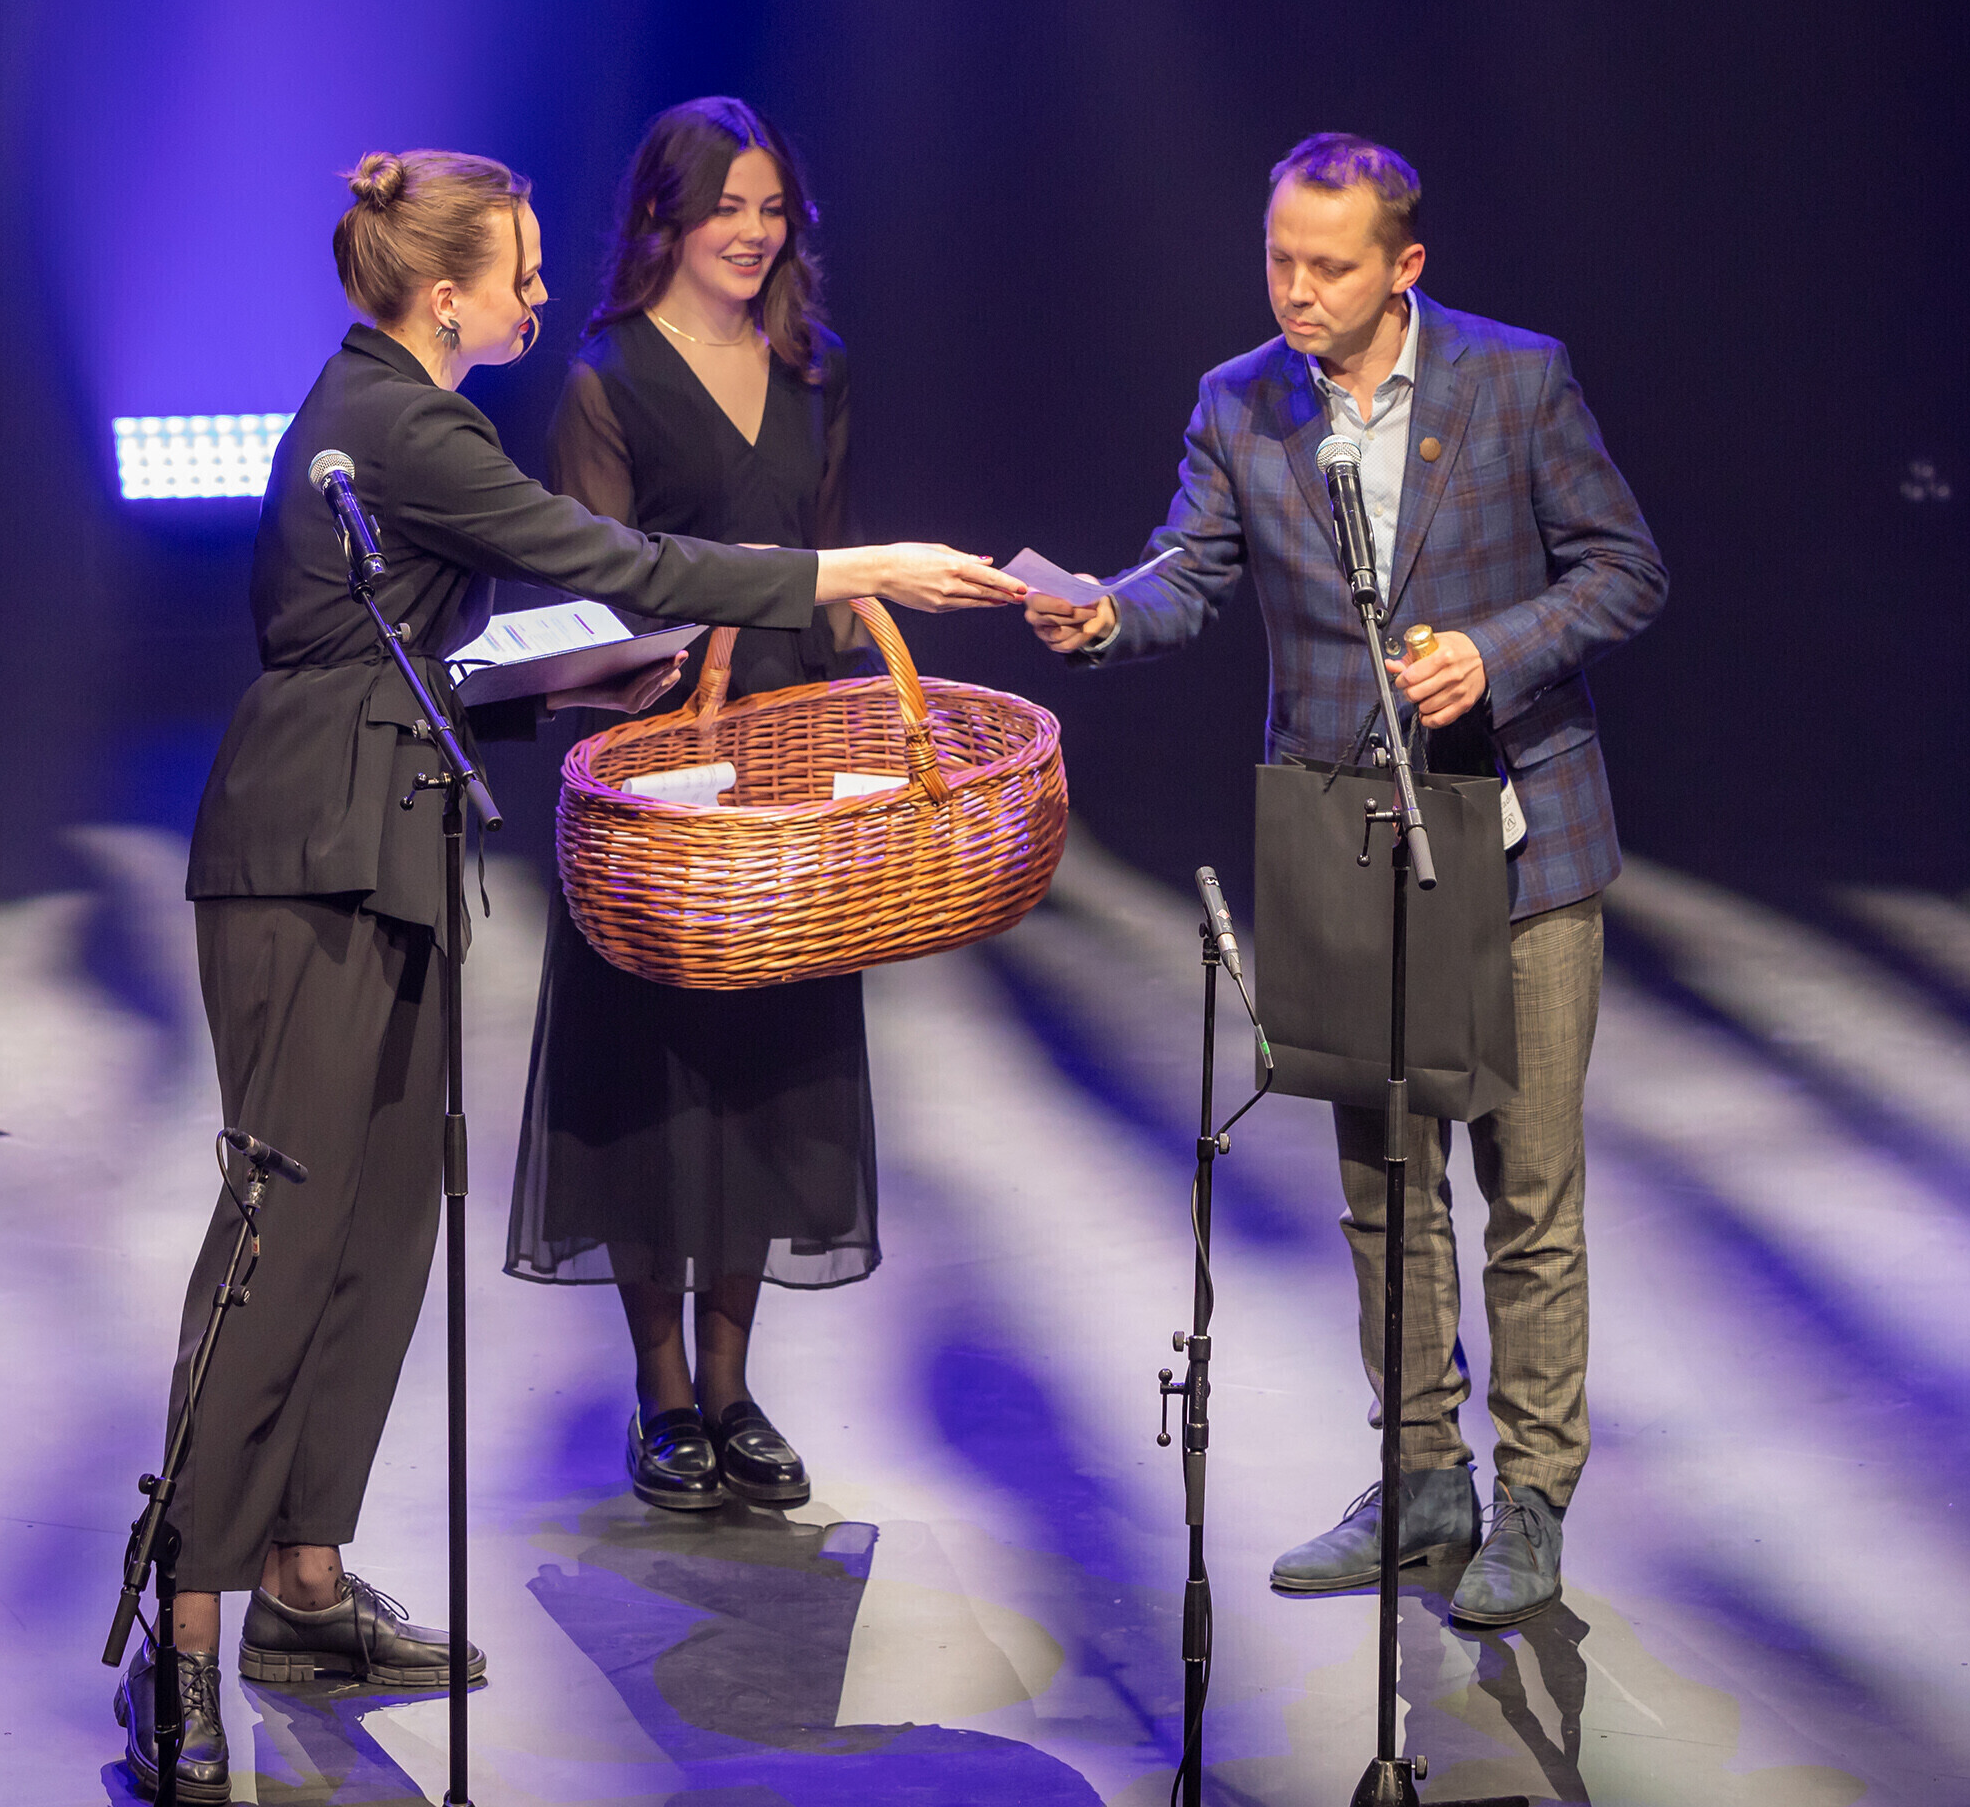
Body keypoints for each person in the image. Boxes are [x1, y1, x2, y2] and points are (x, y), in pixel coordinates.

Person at [128, 147, 1022, 1802]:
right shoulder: (403, 420)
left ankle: (304, 1591)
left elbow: (395, 652)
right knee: (282, 1236)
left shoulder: (400, 414)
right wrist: (847, 571)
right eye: (520, 271)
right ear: (443, 294)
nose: (543, 293)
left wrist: (554, 698)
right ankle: (179, 1634)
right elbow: (621, 560)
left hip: (382, 840)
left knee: (380, 1232)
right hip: (303, 856)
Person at [1027, 134, 1664, 1627]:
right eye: (1280, 259)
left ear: (1404, 266)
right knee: (1384, 1188)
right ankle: (1421, 1471)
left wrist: (1491, 652)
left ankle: (1532, 1497)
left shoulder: (1517, 380)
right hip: (1344, 838)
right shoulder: (1239, 400)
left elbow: (1624, 568)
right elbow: (1187, 569)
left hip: (1516, 835)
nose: (1297, 290)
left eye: (1330, 266)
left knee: (1528, 1189)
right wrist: (1100, 615)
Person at [504, 98, 881, 1517]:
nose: (753, 232)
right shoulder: (607, 379)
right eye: (727, 206)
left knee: (771, 1077)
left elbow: (830, 574)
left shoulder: (815, 370)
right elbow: (593, 593)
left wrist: (863, 738)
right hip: (660, 777)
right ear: (664, 217)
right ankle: (663, 1390)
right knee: (653, 1084)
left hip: (787, 775)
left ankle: (732, 1383)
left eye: (772, 209)